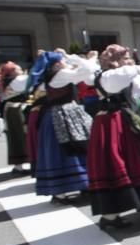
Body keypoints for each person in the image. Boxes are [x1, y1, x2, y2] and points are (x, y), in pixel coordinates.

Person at [83, 45, 140, 228]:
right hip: (110, 125)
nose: (129, 60)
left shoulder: (126, 74)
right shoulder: (106, 76)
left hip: (126, 121)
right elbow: (122, 76)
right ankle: (110, 216)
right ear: (114, 60)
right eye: (125, 57)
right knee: (115, 164)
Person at [29, 51, 92, 203]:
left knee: (68, 148)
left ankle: (74, 187)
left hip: (58, 113)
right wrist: (72, 56)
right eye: (62, 60)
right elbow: (87, 70)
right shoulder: (61, 74)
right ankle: (67, 189)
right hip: (64, 114)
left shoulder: (53, 75)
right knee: (72, 146)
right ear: (57, 63)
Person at [0, 62, 30, 175]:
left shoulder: (8, 81)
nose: (21, 69)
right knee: (21, 136)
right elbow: (32, 79)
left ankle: (18, 166)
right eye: (18, 68)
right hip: (16, 111)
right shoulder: (18, 80)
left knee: (15, 137)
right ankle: (20, 166)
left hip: (11, 110)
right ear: (12, 72)